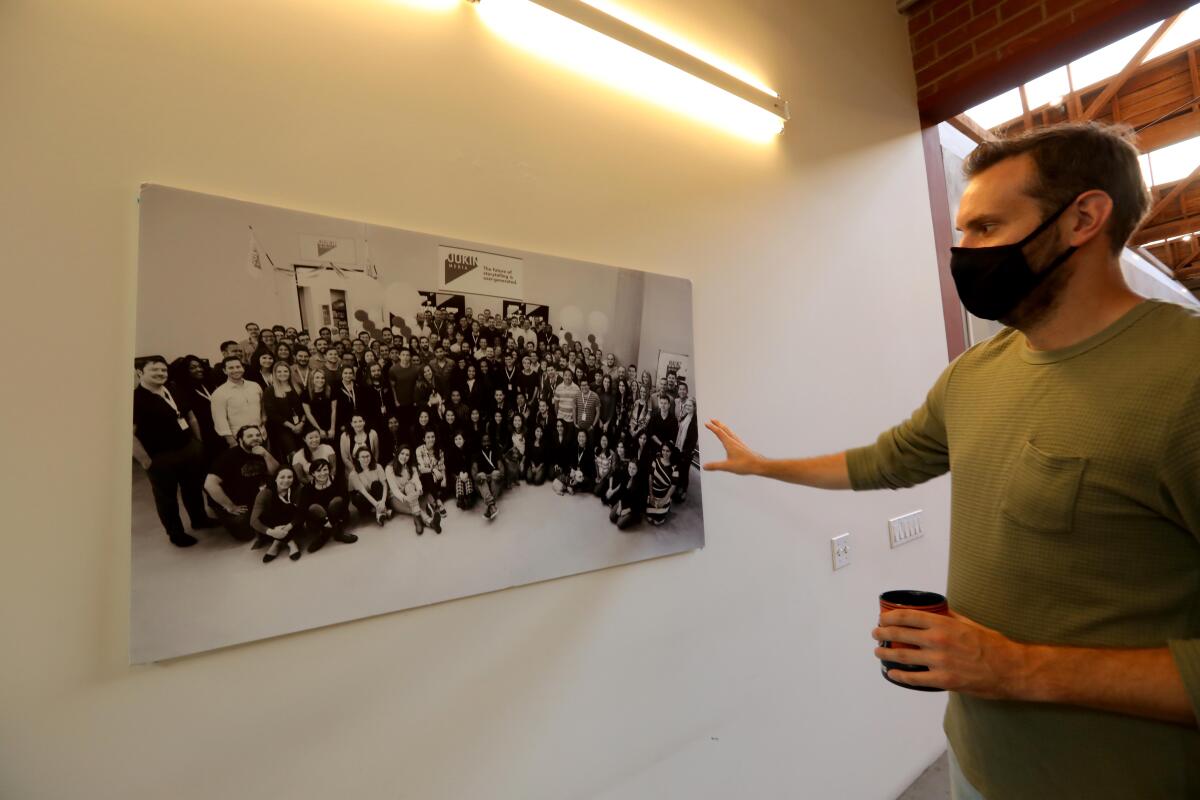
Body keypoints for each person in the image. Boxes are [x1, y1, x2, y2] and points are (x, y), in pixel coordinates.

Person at [704, 123, 1200, 798]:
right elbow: (885, 461)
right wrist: (765, 466)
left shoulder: (1184, 377)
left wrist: (1016, 668)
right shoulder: (974, 374)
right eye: (962, 231)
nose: (964, 254)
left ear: (1084, 218)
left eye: (988, 227)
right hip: (975, 764)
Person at [132, 356, 217, 547]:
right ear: (140, 373)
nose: (161, 373)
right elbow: (130, 435)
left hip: (188, 448)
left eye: (163, 370)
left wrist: (198, 442)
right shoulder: (135, 400)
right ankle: (175, 533)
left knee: (193, 488)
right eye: (155, 370)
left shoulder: (172, 388)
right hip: (160, 457)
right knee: (166, 498)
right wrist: (145, 461)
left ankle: (199, 519)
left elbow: (189, 416)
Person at [204, 424, 279, 542]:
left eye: (257, 435)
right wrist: (230, 506)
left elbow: (276, 474)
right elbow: (209, 484)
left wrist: (266, 455)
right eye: (250, 436)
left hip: (250, 496)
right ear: (240, 440)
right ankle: (220, 515)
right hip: (231, 502)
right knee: (246, 535)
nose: (255, 438)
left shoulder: (260, 451)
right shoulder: (228, 457)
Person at [299, 457, 355, 552]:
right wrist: (325, 521)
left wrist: (332, 521)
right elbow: (303, 508)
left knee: (337, 501)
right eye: (318, 471)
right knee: (314, 507)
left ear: (329, 470)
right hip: (318, 520)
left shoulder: (337, 481)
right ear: (313, 473)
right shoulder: (307, 489)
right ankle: (327, 532)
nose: (322, 473)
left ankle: (333, 532)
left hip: (338, 516)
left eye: (325, 469)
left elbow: (346, 500)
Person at [249, 467, 304, 562]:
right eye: (282, 477)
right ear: (275, 479)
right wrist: (272, 532)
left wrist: (288, 527)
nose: (286, 480)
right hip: (273, 526)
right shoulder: (265, 493)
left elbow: (302, 513)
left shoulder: (298, 489)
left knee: (291, 508)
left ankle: (279, 543)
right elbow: (253, 521)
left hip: (292, 524)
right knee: (263, 515)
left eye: (289, 477)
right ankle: (287, 541)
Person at [210, 356, 265, 447]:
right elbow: (220, 421)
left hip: (261, 435)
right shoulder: (219, 393)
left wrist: (264, 417)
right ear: (224, 371)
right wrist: (232, 442)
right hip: (239, 440)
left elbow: (262, 404)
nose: (235, 370)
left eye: (238, 367)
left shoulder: (255, 386)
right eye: (231, 368)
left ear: (242, 368)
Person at [386, 445, 436, 534]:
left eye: (407, 455)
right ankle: (429, 522)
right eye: (402, 453)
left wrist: (419, 490)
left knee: (409, 486)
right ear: (397, 454)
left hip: (410, 494)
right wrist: (405, 498)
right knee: (414, 506)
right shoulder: (389, 468)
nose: (404, 457)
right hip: (396, 498)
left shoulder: (411, 467)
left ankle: (419, 521)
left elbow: (416, 480)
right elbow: (394, 490)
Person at [263, 361, 305, 461]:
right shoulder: (270, 390)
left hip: (302, 425)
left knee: (305, 451)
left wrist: (302, 423)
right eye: (279, 371)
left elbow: (305, 407)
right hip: (282, 428)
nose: (283, 374)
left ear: (289, 372)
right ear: (275, 374)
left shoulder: (298, 387)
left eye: (285, 371)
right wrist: (292, 427)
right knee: (293, 454)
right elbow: (272, 414)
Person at [348, 445, 391, 526]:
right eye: (362, 457)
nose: (366, 459)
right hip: (362, 497)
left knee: (376, 484)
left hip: (375, 494)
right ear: (358, 458)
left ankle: (379, 513)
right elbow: (363, 492)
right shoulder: (353, 474)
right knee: (358, 498)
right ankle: (382, 511)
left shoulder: (377, 466)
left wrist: (383, 501)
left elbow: (385, 485)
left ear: (371, 456)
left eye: (368, 456)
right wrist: (378, 506)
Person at [415, 428, 449, 522]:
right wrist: (433, 469)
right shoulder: (419, 450)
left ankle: (432, 504)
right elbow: (421, 469)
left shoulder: (439, 450)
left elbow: (442, 467)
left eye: (433, 437)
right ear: (424, 439)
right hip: (425, 479)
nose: (431, 439)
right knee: (428, 475)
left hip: (437, 478)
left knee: (447, 486)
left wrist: (444, 479)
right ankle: (439, 502)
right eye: (428, 437)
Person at [607, 458, 647, 530]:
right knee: (612, 517)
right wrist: (620, 506)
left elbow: (640, 502)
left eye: (634, 468)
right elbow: (620, 492)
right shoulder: (626, 475)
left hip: (634, 507)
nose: (631, 470)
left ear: (638, 469)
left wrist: (627, 510)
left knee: (620, 524)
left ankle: (635, 518)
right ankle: (624, 514)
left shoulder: (641, 482)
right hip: (624, 502)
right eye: (630, 467)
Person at [301, 368, 338, 444]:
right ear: (312, 379)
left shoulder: (331, 390)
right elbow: (308, 414)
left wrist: (332, 428)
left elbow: (334, 410)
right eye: (317, 377)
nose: (320, 380)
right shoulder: (305, 393)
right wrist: (319, 430)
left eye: (322, 378)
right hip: (314, 426)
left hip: (330, 424)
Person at [645, 443, 678, 526]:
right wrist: (651, 494)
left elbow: (673, 486)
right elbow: (650, 478)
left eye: (667, 451)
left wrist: (663, 500)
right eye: (663, 450)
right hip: (653, 493)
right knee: (649, 518)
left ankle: (667, 505)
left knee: (657, 522)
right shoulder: (656, 460)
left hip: (664, 495)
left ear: (671, 452)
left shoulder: (675, 467)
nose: (665, 453)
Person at [472, 432, 503, 521]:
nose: (486, 443)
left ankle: (490, 506)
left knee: (496, 473)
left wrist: (492, 475)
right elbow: (474, 474)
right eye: (484, 441)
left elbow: (502, 471)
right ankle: (492, 505)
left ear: (491, 442)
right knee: (480, 476)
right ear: (481, 442)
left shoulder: (496, 452)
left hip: (495, 482)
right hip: (482, 485)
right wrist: (484, 476)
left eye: (488, 441)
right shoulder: (476, 454)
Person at [673, 398, 698, 503]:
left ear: (694, 407)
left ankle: (683, 492)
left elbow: (693, 441)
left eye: (690, 406)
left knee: (684, 472)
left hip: (686, 452)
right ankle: (678, 490)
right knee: (679, 471)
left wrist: (686, 453)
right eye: (686, 405)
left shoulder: (694, 421)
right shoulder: (685, 416)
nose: (687, 407)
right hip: (680, 448)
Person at [555, 429, 595, 496]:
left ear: (586, 438)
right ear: (577, 437)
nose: (581, 438)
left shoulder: (590, 450)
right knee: (562, 474)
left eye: (583, 436)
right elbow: (569, 462)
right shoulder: (574, 447)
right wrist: (572, 470)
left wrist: (578, 474)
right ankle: (570, 485)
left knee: (588, 483)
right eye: (579, 436)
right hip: (574, 473)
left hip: (583, 474)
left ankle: (570, 486)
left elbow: (590, 469)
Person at [444, 432, 477, 512]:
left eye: (460, 439)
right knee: (459, 480)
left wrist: (466, 473)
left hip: (467, 473)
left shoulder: (468, 450)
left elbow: (469, 464)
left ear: (464, 440)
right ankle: (460, 498)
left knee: (467, 479)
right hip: (455, 475)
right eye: (456, 439)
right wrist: (459, 474)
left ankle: (470, 497)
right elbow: (450, 466)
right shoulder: (451, 451)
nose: (458, 441)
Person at [598, 440, 628, 506]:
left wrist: (613, 491)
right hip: (614, 481)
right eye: (618, 447)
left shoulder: (627, 462)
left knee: (612, 499)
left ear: (625, 449)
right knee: (603, 497)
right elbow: (612, 474)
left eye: (621, 447)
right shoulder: (615, 457)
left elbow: (623, 482)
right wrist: (610, 488)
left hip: (620, 485)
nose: (619, 449)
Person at [503, 413, 527, 487]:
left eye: (519, 420)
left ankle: (516, 477)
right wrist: (503, 454)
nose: (517, 422)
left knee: (522, 474)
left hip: (522, 456)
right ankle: (510, 480)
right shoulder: (510, 432)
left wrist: (522, 462)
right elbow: (507, 446)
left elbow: (528, 449)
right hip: (513, 455)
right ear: (513, 421)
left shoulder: (525, 432)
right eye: (515, 420)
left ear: (522, 422)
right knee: (511, 465)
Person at [336, 365, 361, 433]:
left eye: (350, 373)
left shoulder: (357, 386)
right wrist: (341, 424)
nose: (348, 375)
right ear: (341, 374)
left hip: (357, 420)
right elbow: (336, 408)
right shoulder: (336, 387)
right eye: (345, 373)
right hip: (344, 420)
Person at [591, 432, 616, 498]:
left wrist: (601, 479)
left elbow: (611, 469)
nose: (603, 442)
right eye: (602, 440)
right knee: (590, 485)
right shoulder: (597, 449)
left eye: (605, 440)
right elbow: (596, 464)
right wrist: (597, 476)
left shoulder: (611, 453)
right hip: (599, 475)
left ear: (608, 441)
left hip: (606, 477)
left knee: (596, 492)